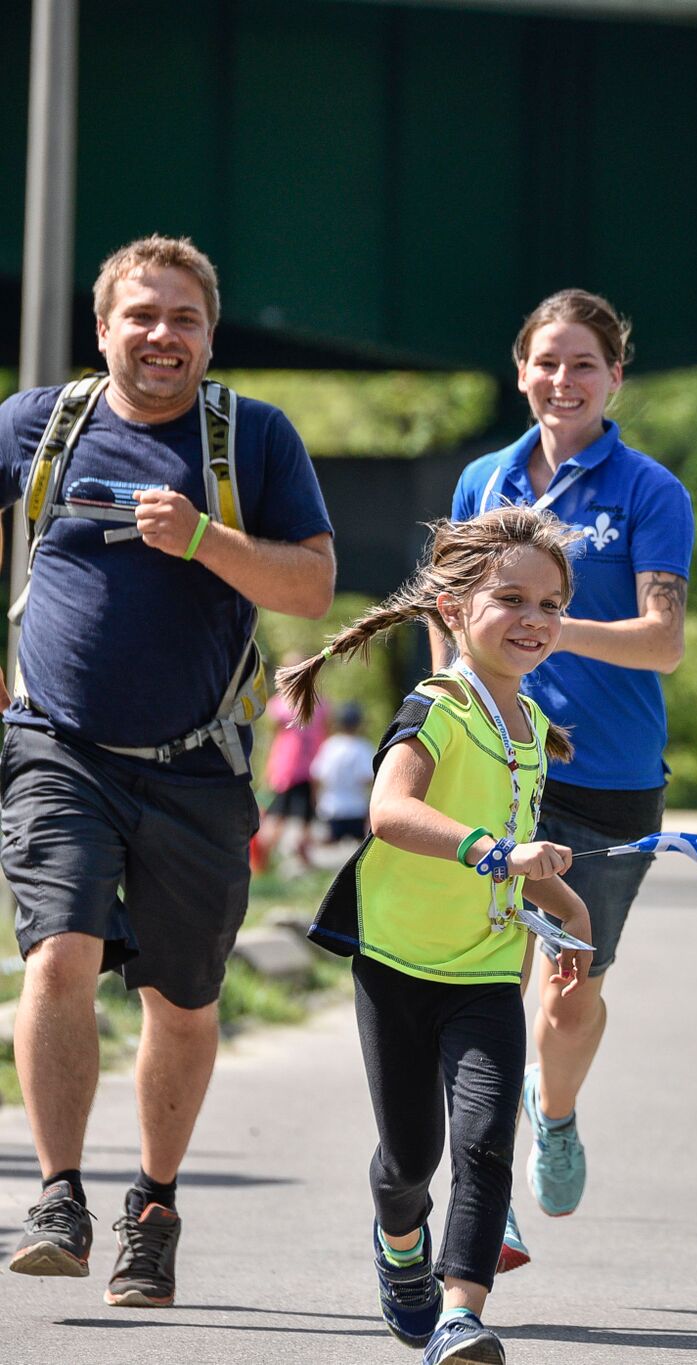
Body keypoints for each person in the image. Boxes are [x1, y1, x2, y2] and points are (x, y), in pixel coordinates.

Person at [0, 235, 334, 1306]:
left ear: (208, 334)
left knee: (181, 1001)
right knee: (57, 957)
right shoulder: (38, 425)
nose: (161, 335)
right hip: (57, 744)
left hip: (198, 764)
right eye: (141, 315)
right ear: (103, 330)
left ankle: (152, 1204)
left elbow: (313, 589)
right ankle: (57, 1194)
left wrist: (204, 542)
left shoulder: (255, 440)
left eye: (182, 318)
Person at [285, 504, 592, 1365]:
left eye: (551, 604)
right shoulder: (439, 706)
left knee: (487, 1136)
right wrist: (495, 852)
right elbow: (389, 812)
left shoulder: (531, 728)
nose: (534, 619)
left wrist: (571, 913)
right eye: (512, 599)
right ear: (454, 609)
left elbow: (518, 842)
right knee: (410, 1159)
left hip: (489, 971)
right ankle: (398, 1237)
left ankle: (462, 1313)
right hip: (396, 963)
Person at [440, 288, 692, 1266]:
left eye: (583, 364)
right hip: (497, 765)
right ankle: (484, 1185)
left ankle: (555, 1113)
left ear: (614, 378)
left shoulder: (646, 492)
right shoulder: (481, 483)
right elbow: (442, 613)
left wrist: (537, 624)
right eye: (546, 362)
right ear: (520, 370)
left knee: (566, 990)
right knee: (478, 981)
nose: (562, 381)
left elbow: (662, 641)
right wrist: (440, 715)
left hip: (609, 781)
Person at [259, 663, 328, 872]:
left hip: (301, 769)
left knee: (302, 817)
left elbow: (325, 733)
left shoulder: (315, 704)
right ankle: (261, 860)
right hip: (293, 770)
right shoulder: (285, 705)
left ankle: (301, 860)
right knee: (281, 817)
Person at [312, 701, 375, 845]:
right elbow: (367, 778)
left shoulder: (329, 745)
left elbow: (317, 775)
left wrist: (315, 800)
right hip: (356, 808)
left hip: (331, 808)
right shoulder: (362, 747)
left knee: (328, 846)